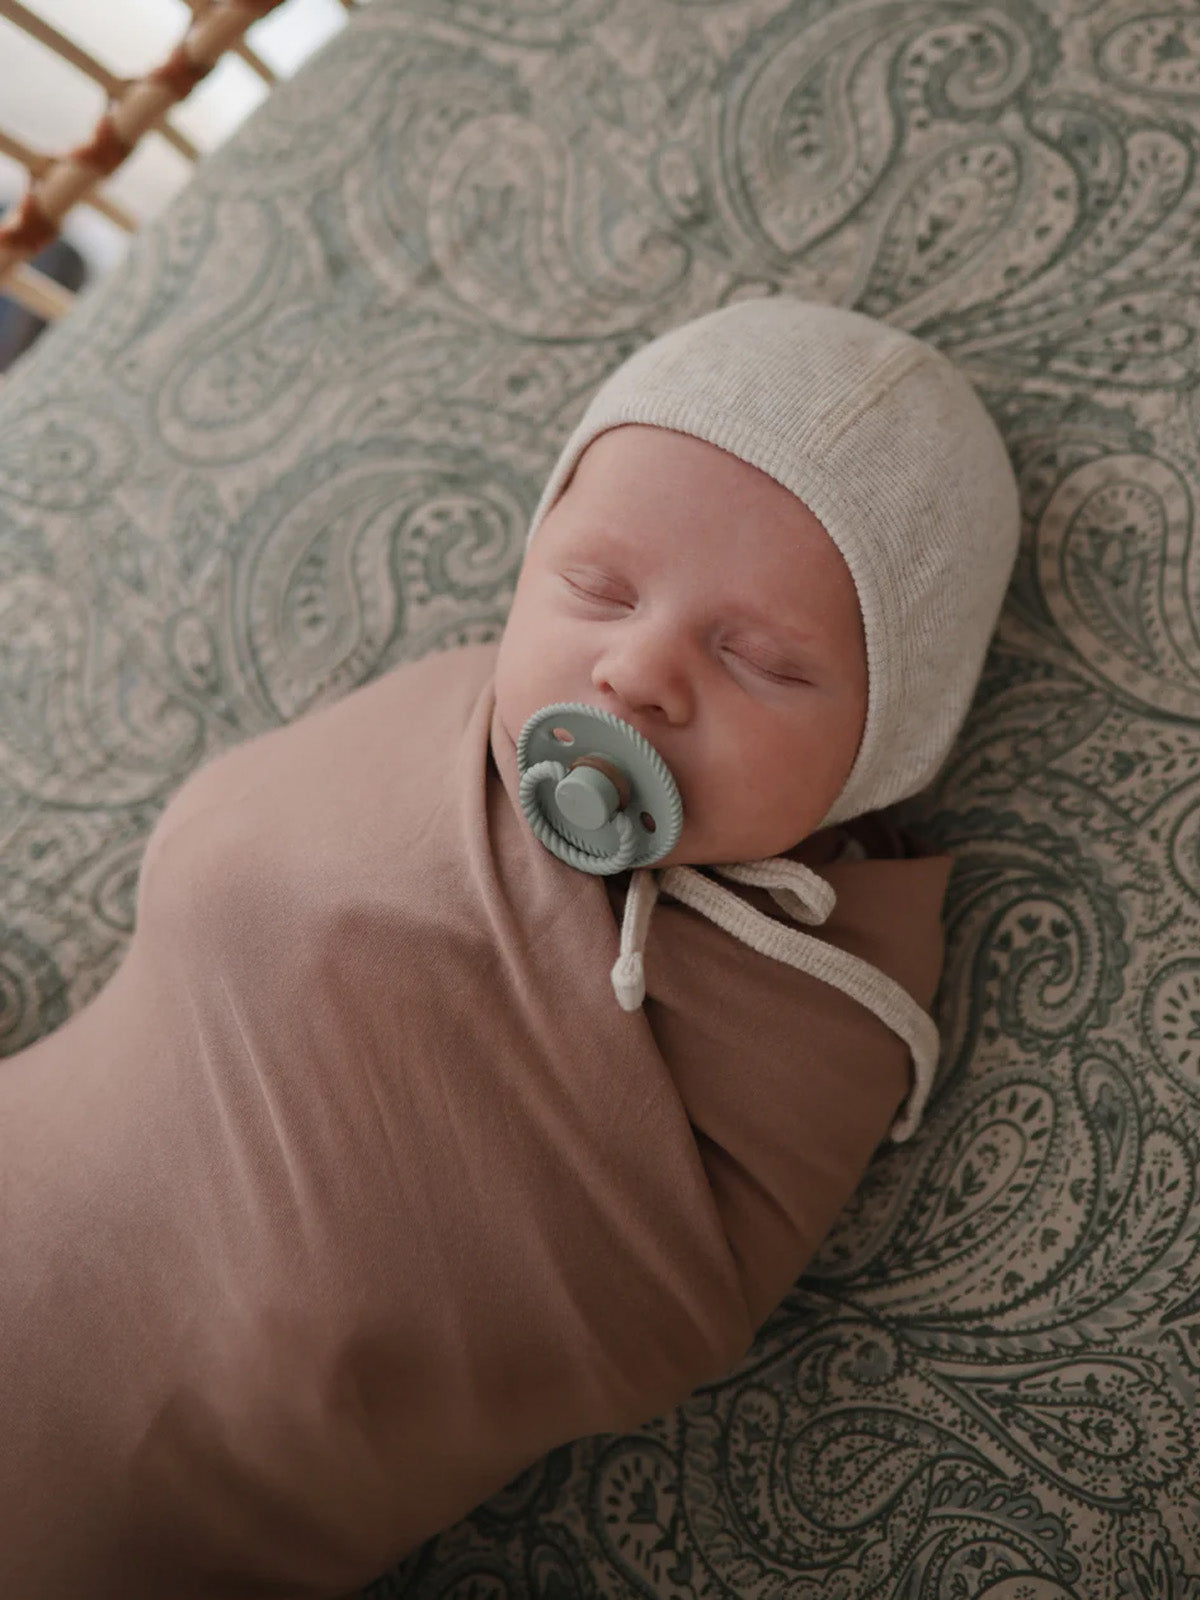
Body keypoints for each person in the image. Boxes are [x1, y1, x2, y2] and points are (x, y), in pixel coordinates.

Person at [0, 296, 1020, 1598]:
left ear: (888, 747)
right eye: (594, 588)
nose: (635, 672)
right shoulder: (443, 708)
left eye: (759, 659)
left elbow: (648, 1304)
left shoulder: (823, 1003)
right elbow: (237, 855)